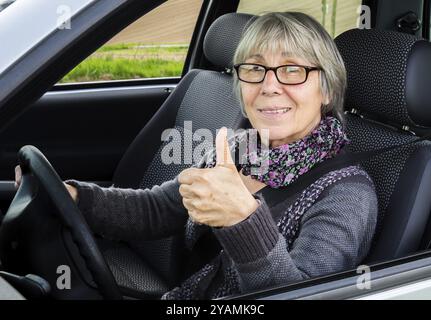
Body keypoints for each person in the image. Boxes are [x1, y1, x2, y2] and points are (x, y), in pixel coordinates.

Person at [15, 12, 378, 299]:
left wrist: (244, 221)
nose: (270, 86)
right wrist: (74, 197)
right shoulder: (238, 149)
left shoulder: (347, 194)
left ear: (327, 89)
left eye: (292, 70)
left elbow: (300, 295)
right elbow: (157, 210)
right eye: (254, 69)